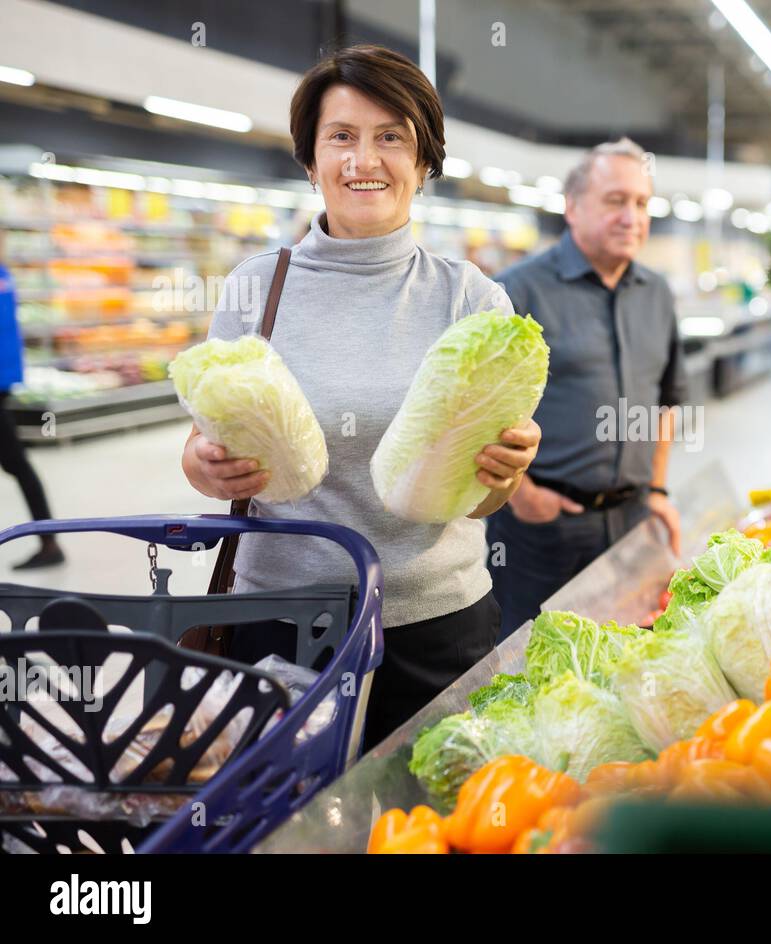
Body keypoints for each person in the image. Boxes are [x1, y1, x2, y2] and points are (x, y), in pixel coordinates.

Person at [180, 45, 541, 750]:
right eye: (340, 137)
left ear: (424, 163)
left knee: (429, 819)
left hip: (433, 624)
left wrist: (507, 471)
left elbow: (487, 498)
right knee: (288, 828)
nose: (362, 160)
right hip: (282, 619)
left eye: (391, 138)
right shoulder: (257, 286)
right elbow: (200, 451)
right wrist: (204, 465)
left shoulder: (470, 297)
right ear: (311, 160)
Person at [491, 137, 684, 639]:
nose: (632, 217)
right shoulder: (517, 291)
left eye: (641, 203)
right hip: (544, 529)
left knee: (629, 657)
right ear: (572, 208)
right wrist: (523, 496)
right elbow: (477, 413)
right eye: (616, 201)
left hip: (633, 525)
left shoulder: (657, 294)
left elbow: (667, 399)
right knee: (534, 667)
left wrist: (658, 489)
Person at [0, 230, 64, 569]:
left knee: (17, 463)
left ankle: (50, 542)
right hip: (4, 379)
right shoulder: (4, 275)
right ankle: (48, 540)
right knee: (16, 463)